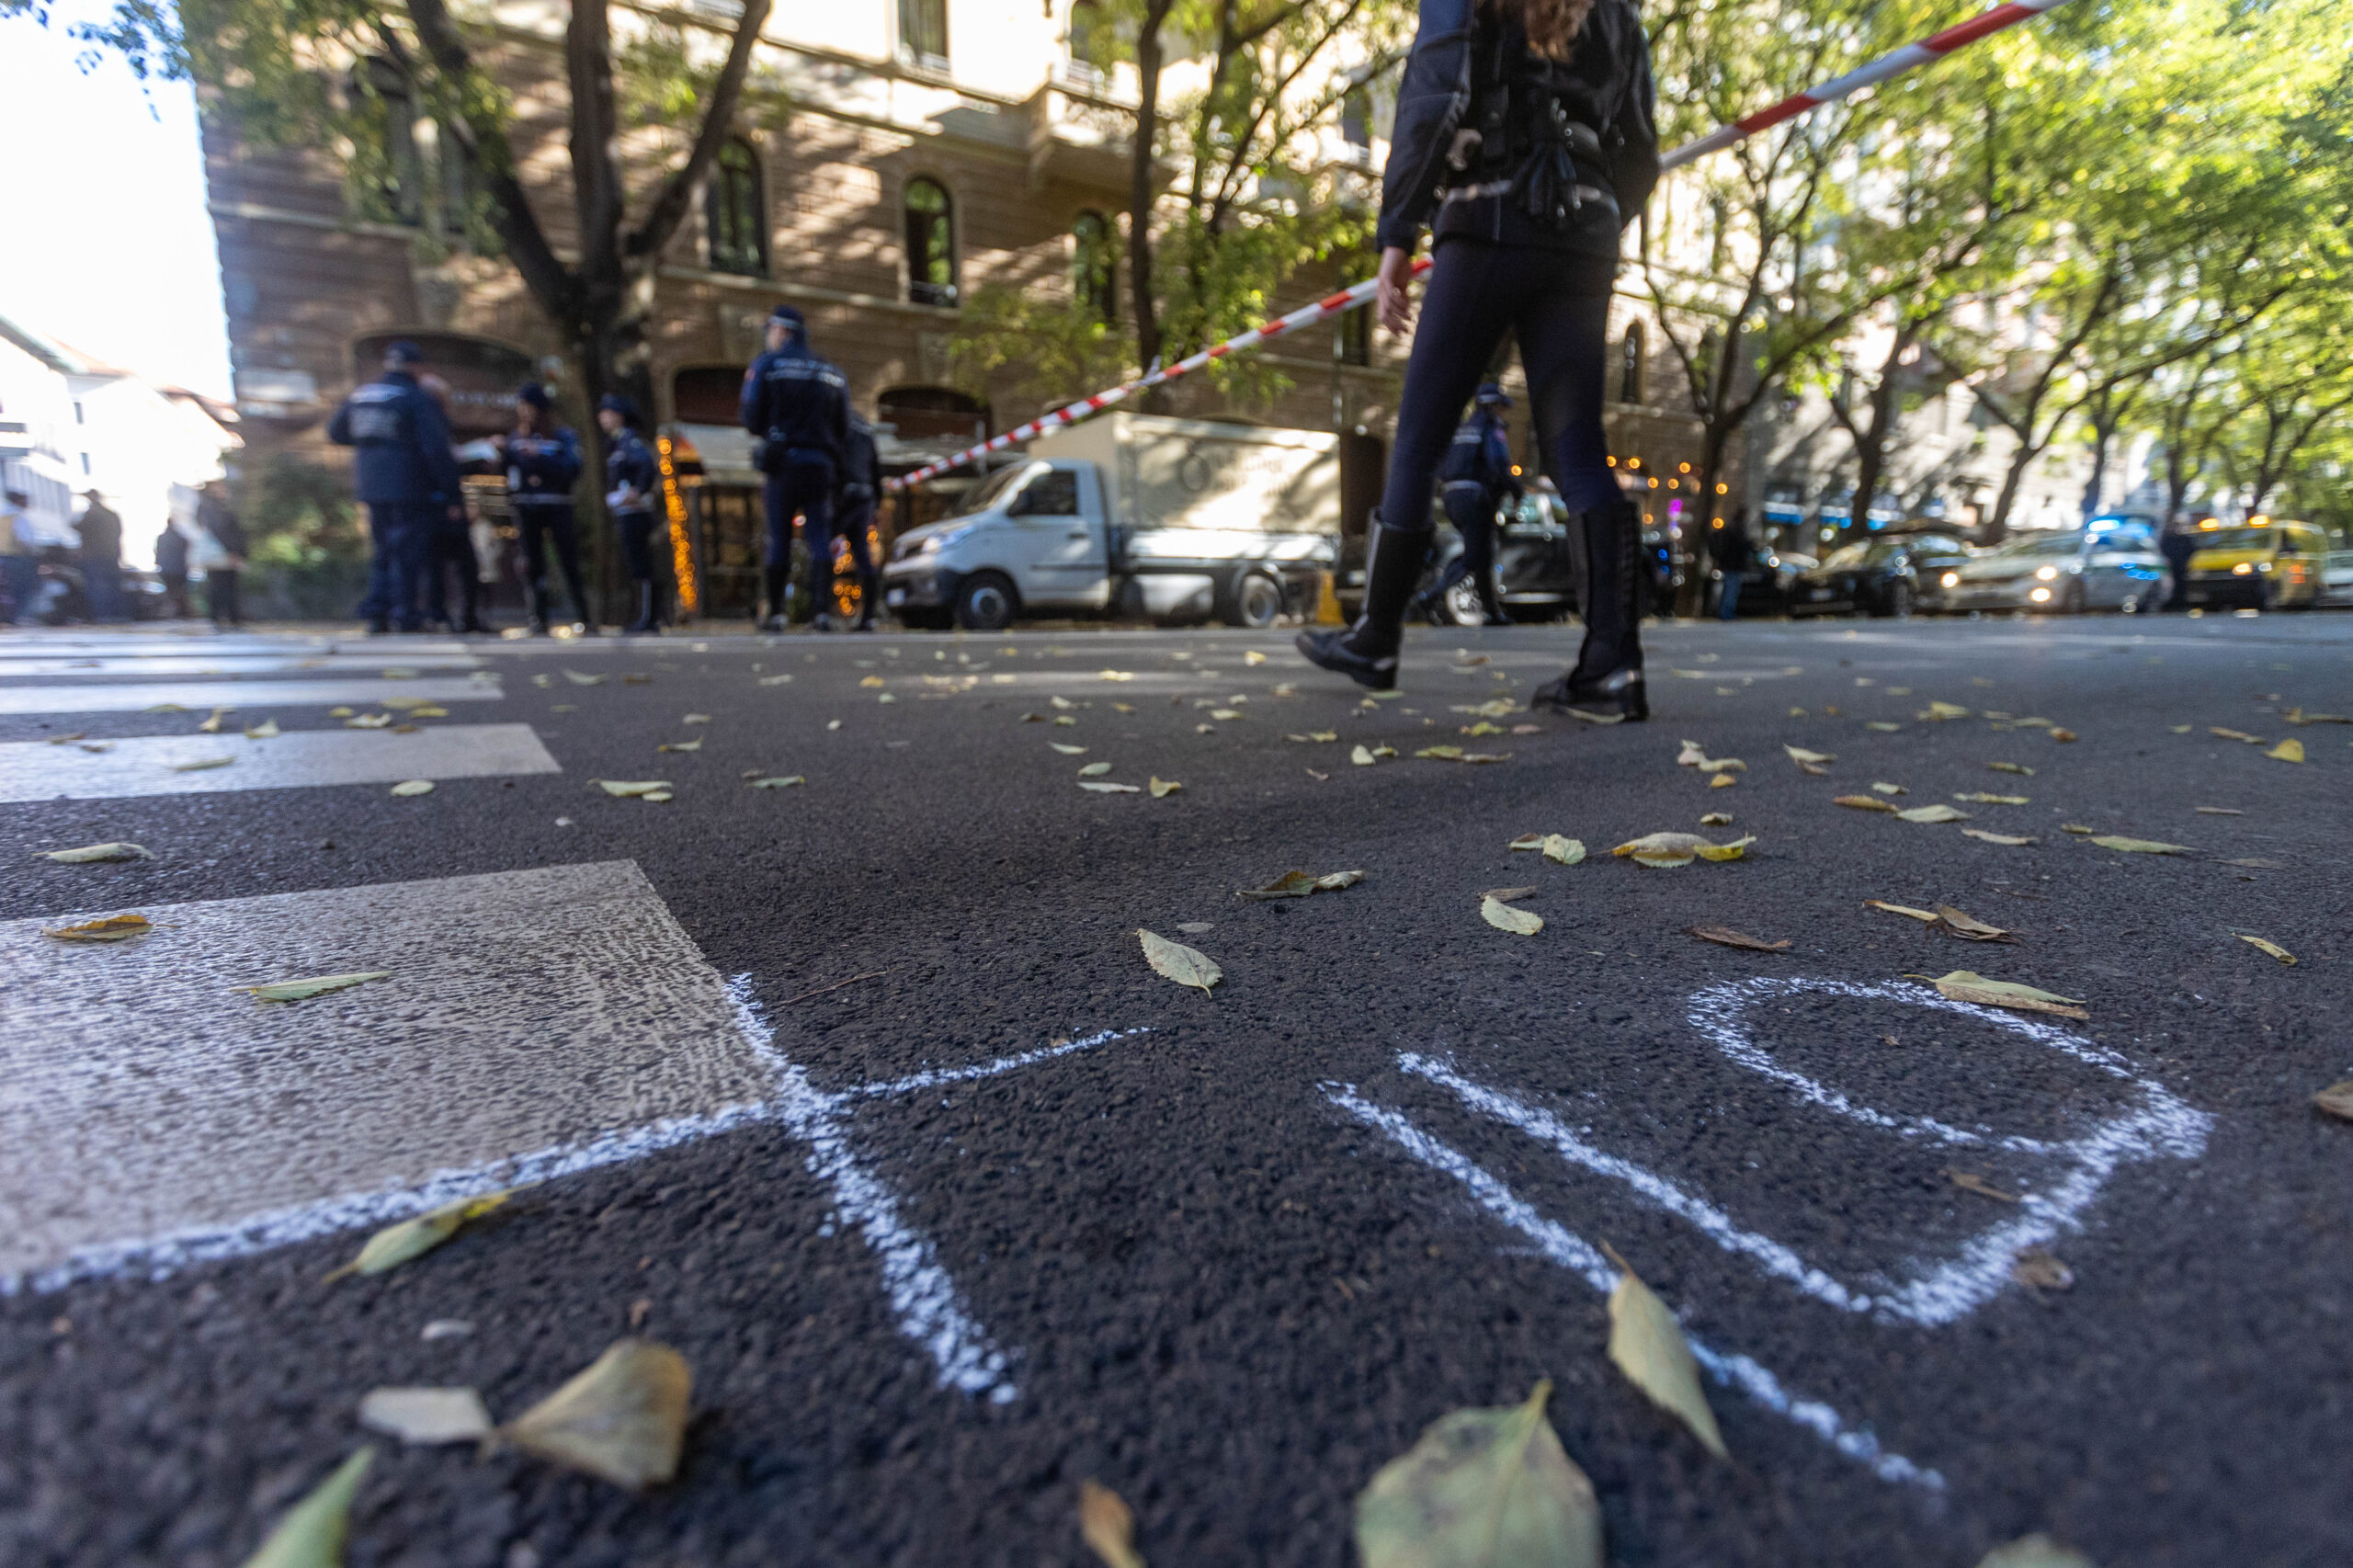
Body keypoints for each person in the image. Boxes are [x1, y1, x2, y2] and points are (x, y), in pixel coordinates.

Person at [1297, 0, 1656, 719]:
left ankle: (1378, 637)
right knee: (1577, 446)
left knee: (1422, 433)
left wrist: (1399, 229)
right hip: (1585, 232)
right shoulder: (1617, 12)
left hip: (1489, 217)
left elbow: (1434, 97)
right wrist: (1594, 213)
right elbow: (1640, 148)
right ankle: (1612, 665)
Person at [328, 340, 466, 633]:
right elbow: (435, 449)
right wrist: (452, 493)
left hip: (371, 485)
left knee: (383, 550)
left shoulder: (361, 395)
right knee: (407, 551)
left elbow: (336, 432)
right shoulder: (415, 398)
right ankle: (405, 614)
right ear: (416, 367)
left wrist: (372, 447)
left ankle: (378, 612)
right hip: (409, 486)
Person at [740, 302, 849, 631]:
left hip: (784, 463)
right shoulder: (831, 372)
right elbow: (843, 425)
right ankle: (821, 612)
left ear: (782, 330)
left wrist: (773, 433)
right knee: (819, 536)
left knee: (780, 537)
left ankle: (776, 613)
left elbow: (750, 414)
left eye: (770, 331)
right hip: (821, 463)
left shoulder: (768, 365)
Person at [1411, 382, 1524, 625]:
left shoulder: (1461, 430)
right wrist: (1516, 490)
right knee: (1474, 557)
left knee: (1482, 553)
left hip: (1454, 499)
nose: (1503, 412)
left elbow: (1443, 466)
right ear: (1493, 406)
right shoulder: (1490, 428)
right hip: (1476, 498)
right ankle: (1430, 596)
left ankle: (1492, 613)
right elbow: (1498, 463)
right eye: (1501, 407)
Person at [502, 383, 595, 636]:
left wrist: (540, 458)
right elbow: (509, 472)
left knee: (569, 560)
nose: (524, 412)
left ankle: (584, 616)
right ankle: (538, 618)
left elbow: (573, 468)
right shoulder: (516, 438)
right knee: (532, 563)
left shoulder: (562, 437)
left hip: (557, 505)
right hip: (526, 507)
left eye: (528, 406)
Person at [598, 393, 665, 635]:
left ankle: (649, 616)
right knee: (634, 562)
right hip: (624, 511)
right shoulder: (615, 443)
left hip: (635, 511)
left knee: (641, 562)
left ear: (618, 416)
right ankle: (640, 614)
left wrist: (638, 490)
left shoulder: (629, 441)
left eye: (606, 413)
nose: (601, 418)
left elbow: (646, 465)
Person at [823, 414, 883, 631]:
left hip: (841, 496)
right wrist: (877, 499)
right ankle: (868, 617)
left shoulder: (833, 422)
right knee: (863, 559)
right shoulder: (865, 428)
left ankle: (822, 613)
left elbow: (831, 458)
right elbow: (876, 466)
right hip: (863, 495)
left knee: (824, 553)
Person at [197, 482, 248, 628]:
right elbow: (221, 531)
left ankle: (224, 616)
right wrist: (232, 551)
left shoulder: (215, 507)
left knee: (222, 585)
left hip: (223, 552)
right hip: (222, 552)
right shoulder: (213, 508)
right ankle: (225, 616)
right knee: (223, 585)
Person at [74, 490, 126, 622]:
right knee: (114, 587)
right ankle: (117, 615)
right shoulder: (111, 514)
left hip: (94, 556)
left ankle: (101, 615)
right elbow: (119, 533)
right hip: (111, 555)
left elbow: (79, 527)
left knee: (96, 587)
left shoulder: (92, 514)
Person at [1, 490, 40, 625]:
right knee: (22, 588)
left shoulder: (3, 516)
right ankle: (21, 616)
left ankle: (8, 617)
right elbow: (25, 540)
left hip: (4, 557)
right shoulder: (18, 517)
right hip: (19, 557)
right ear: (19, 501)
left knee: (8, 590)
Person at [1713, 512, 1753, 621]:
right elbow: (1741, 547)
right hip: (1733, 565)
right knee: (1731, 590)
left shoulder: (1730, 531)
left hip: (1728, 565)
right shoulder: (1737, 532)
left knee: (1729, 589)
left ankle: (1725, 612)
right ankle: (1727, 613)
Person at [2160, 512, 2198, 611]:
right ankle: (2172, 603)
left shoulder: (2184, 539)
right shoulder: (2167, 538)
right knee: (2170, 584)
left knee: (2181, 584)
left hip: (2181, 564)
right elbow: (2163, 550)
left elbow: (2191, 549)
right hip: (2171, 564)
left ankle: (2180, 602)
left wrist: (2185, 559)